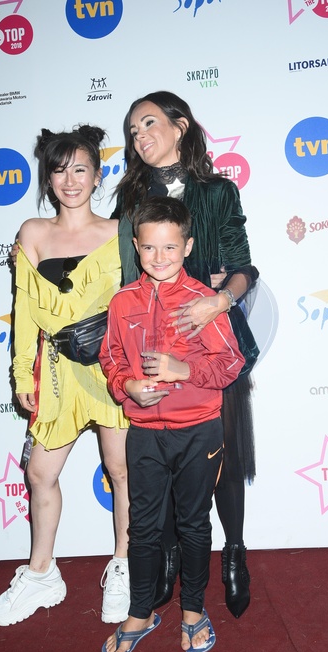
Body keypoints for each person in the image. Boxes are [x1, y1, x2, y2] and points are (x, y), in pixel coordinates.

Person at [111, 91, 259, 619]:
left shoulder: (218, 191)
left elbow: (244, 268)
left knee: (224, 457)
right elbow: (123, 274)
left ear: (180, 126)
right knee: (162, 460)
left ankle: (234, 552)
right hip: (153, 352)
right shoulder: (130, 198)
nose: (139, 136)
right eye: (132, 130)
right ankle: (169, 556)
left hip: (211, 342)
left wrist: (218, 301)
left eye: (148, 123)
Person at [0, 125, 130, 627]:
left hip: (111, 367)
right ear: (48, 179)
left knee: (122, 471)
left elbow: (136, 306)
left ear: (97, 175)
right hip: (55, 372)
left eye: (80, 169)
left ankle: (126, 565)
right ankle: (42, 573)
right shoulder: (33, 233)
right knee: (40, 473)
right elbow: (25, 309)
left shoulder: (120, 232)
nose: (70, 180)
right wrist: (20, 375)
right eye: (59, 170)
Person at [99, 196, 244, 652]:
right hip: (144, 433)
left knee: (194, 525)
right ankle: (140, 613)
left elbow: (231, 364)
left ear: (188, 246)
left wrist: (183, 370)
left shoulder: (202, 303)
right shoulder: (122, 302)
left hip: (199, 431)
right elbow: (111, 358)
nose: (159, 257)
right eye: (149, 248)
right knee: (142, 529)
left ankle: (193, 610)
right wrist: (127, 387)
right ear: (135, 246)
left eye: (169, 247)